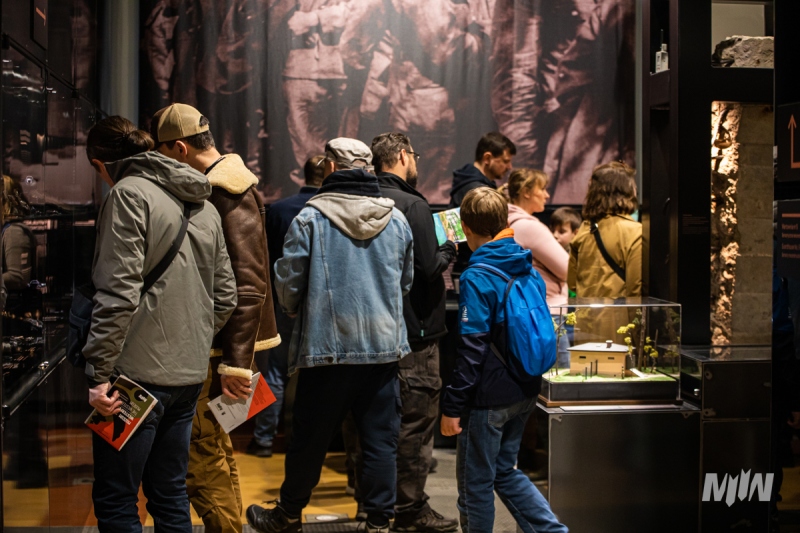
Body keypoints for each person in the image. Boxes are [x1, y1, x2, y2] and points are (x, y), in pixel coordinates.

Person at [246, 138, 413, 533]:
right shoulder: (397, 219)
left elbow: (287, 284)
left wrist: (296, 311)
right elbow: (403, 283)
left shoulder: (311, 217)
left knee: (309, 440)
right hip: (383, 350)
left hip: (327, 350)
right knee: (379, 443)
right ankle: (378, 521)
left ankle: (288, 515)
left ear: (332, 169)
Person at [83, 116, 237, 532]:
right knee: (169, 494)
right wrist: (191, 338)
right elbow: (226, 296)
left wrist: (98, 375)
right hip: (187, 377)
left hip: (130, 382)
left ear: (101, 165)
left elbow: (118, 294)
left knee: (116, 499)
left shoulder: (129, 195)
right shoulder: (201, 204)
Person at [149, 103, 280, 533]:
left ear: (180, 148)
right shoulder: (223, 185)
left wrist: (236, 363)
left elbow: (249, 283)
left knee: (201, 455)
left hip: (218, 351)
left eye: (161, 152)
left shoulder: (225, 189)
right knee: (213, 450)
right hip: (219, 348)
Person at [440, 187, 567, 533]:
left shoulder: (476, 277)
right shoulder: (526, 264)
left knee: (475, 486)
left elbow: (472, 349)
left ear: (465, 228)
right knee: (505, 472)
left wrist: (453, 406)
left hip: (488, 399)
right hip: (525, 387)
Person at [370, 132, 458, 532]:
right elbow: (427, 268)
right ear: (403, 156)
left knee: (375, 425)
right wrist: (449, 249)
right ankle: (410, 510)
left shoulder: (364, 199)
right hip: (416, 332)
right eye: (415, 156)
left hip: (373, 332)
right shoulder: (414, 205)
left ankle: (374, 508)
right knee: (416, 425)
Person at [249, 154, 325, 458]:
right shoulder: (332, 212)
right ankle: (309, 445)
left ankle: (264, 440)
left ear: (302, 175)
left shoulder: (279, 210)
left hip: (282, 304)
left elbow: (264, 261)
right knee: (318, 378)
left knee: (276, 373)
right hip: (322, 308)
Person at [567, 161, 641, 298]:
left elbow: (572, 283)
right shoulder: (635, 232)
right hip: (621, 318)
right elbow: (635, 288)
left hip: (586, 316)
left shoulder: (584, 229)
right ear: (628, 191)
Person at [448, 132, 516, 209]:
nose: (510, 167)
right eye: (505, 161)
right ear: (487, 158)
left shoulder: (467, 181)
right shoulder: (478, 192)